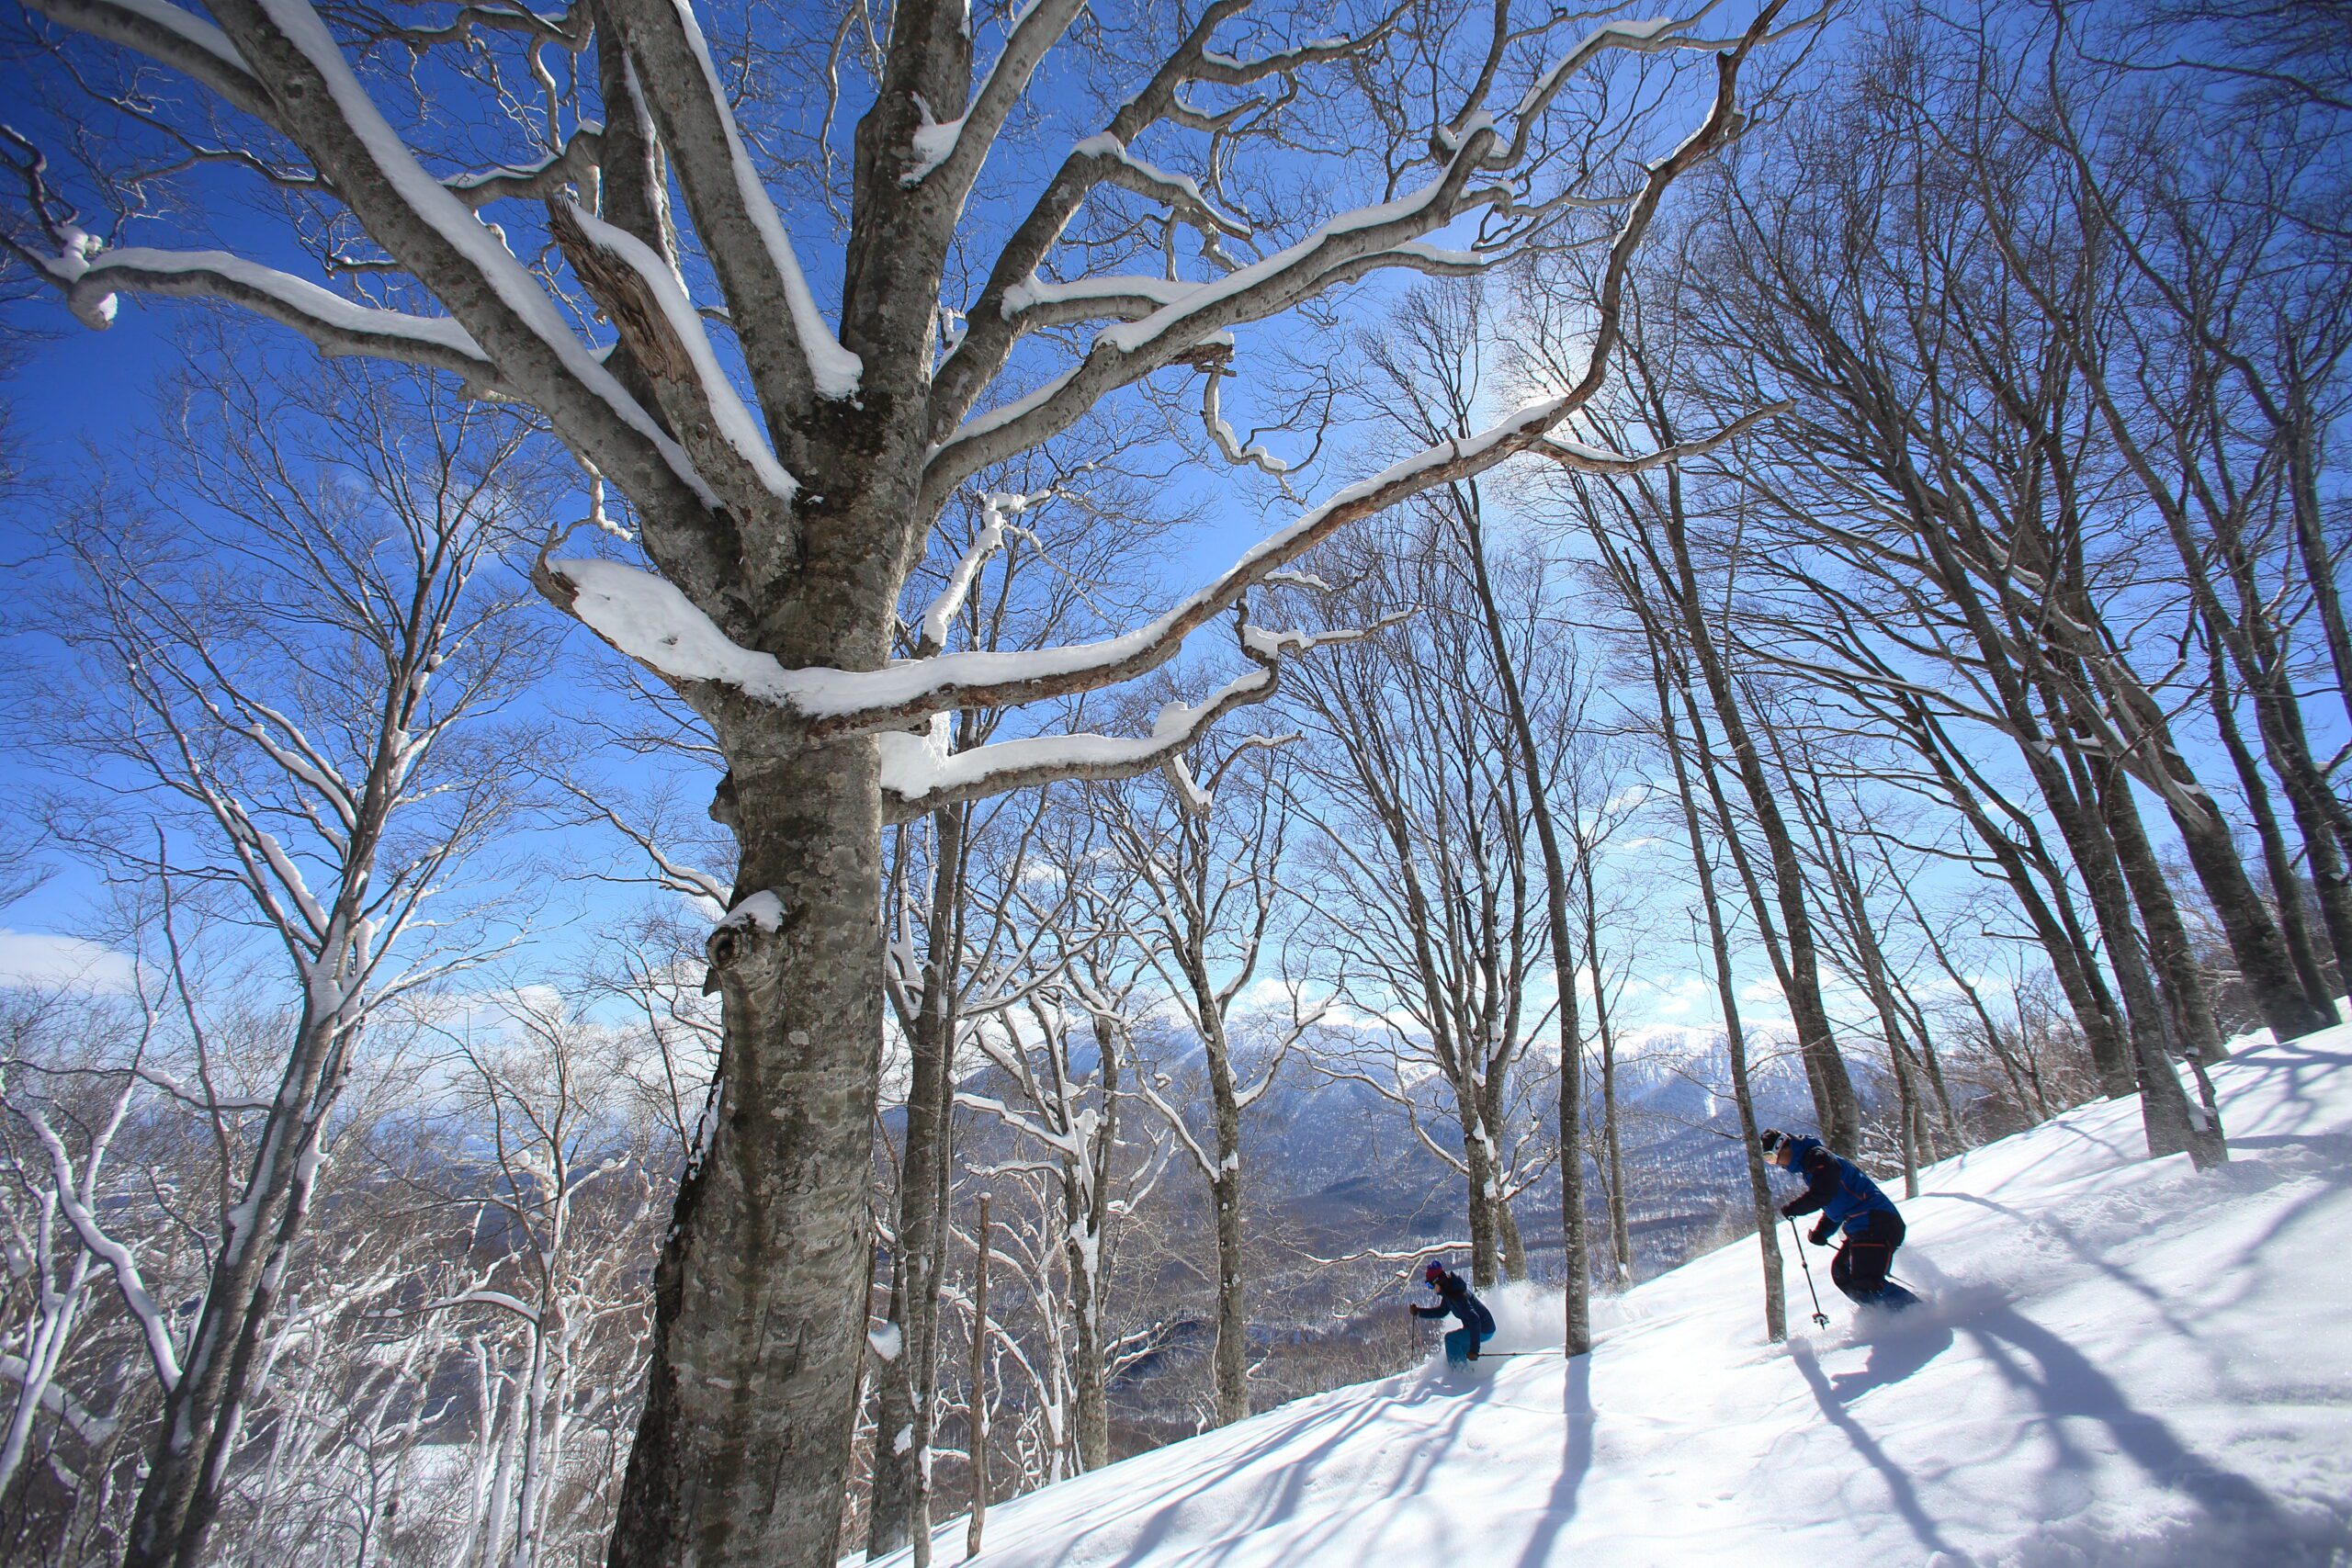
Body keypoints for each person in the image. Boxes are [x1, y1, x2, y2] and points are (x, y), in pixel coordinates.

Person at [1759, 1127, 1913, 1309]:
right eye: (1769, 1161)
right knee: (1842, 1273)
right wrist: (1821, 1233)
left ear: (1784, 1146)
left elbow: (1823, 1194)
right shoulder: (1810, 1167)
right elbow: (1835, 1207)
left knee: (1867, 1281)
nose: (1775, 1163)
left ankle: (1917, 1314)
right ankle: (1879, 1316)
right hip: (1863, 1226)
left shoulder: (1819, 1158)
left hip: (1877, 1222)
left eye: (1772, 1157)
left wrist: (1794, 1208)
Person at [1409, 1259, 1496, 1363]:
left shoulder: (1457, 1295)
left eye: (1430, 1285)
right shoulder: (1449, 1292)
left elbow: (1475, 1319)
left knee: (1451, 1340)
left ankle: (1458, 1374)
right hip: (1479, 1328)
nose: (1431, 1289)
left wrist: (1474, 1349)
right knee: (1460, 1347)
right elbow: (1442, 1311)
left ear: (1438, 1281)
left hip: (1484, 1329)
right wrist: (1419, 1312)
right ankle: (1467, 1374)